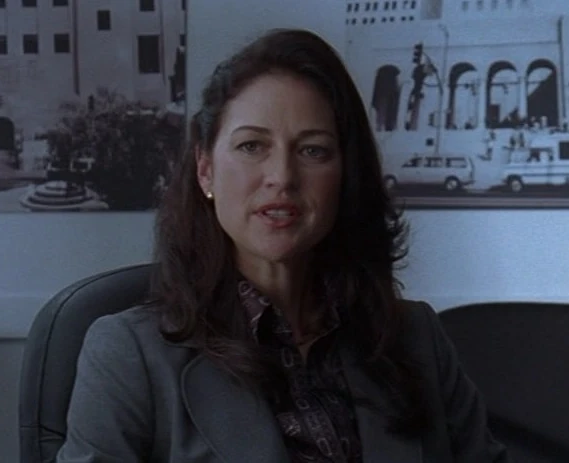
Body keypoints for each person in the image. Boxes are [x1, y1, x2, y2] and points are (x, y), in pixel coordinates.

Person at [57, 29, 509, 462]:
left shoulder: (417, 338)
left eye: (313, 150)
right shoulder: (129, 354)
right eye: (252, 146)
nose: (282, 177)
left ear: (345, 175)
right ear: (205, 170)